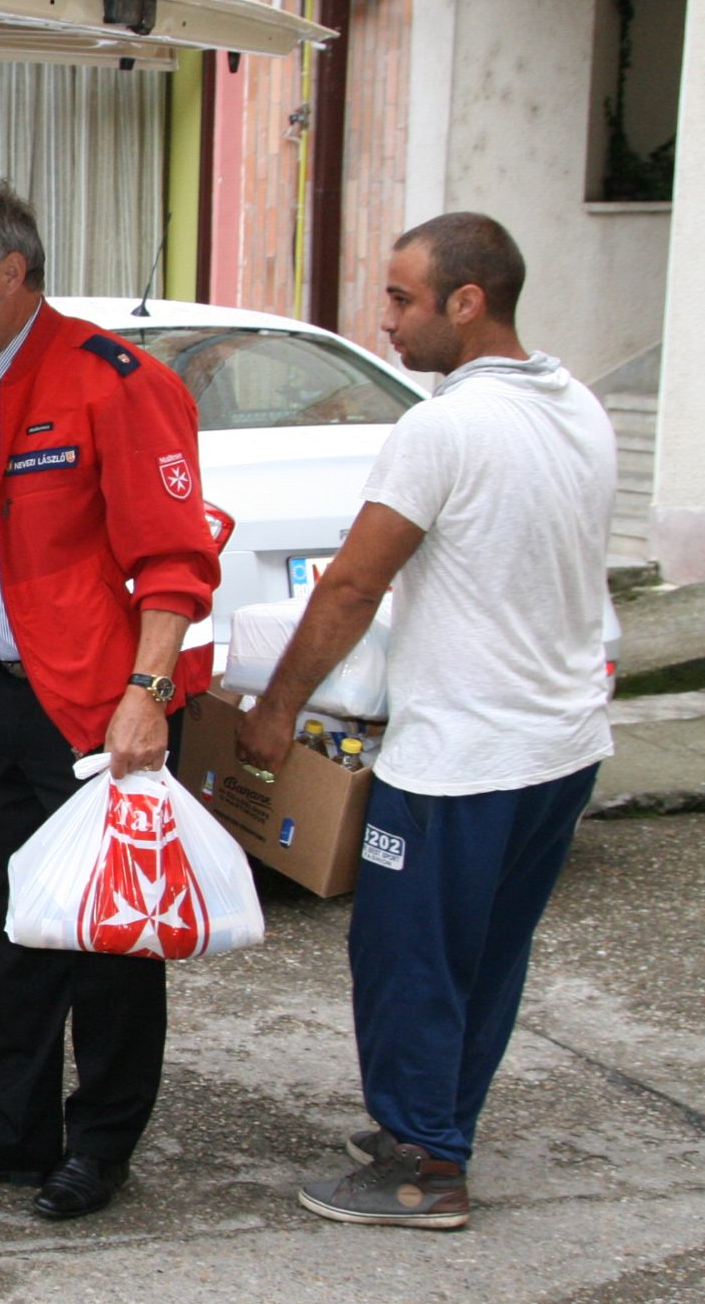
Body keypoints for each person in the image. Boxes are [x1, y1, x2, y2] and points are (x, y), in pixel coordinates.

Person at [238, 213, 614, 1233]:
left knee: (409, 954)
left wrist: (275, 710)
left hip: (464, 756)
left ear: (467, 300)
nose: (386, 319)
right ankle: (437, 1122)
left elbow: (354, 582)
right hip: (559, 744)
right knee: (486, 953)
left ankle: (423, 1167)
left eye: (402, 298)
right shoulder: (574, 404)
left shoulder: (441, 427)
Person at [0, 174, 218, 1222]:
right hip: (0, 703)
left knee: (108, 938)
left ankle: (100, 1142)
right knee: (15, 926)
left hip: (100, 713)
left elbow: (173, 563)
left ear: (9, 272)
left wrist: (147, 694)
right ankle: (11, 1128)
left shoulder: (115, 381)